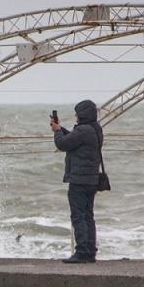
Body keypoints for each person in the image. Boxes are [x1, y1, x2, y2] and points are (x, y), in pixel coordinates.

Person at [50, 99, 103, 264]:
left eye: (77, 113)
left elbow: (62, 144)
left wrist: (57, 132)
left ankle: (81, 252)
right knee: (88, 216)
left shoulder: (82, 130)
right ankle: (90, 252)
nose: (75, 116)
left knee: (78, 216)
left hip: (79, 181)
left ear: (82, 114)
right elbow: (75, 139)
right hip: (92, 180)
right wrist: (62, 129)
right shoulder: (95, 129)